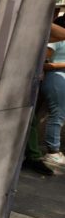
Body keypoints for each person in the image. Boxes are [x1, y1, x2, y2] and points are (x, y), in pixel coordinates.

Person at [39, 22, 65, 173]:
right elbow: (43, 62)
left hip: (59, 79)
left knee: (59, 115)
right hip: (56, 79)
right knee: (57, 115)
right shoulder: (57, 40)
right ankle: (53, 152)